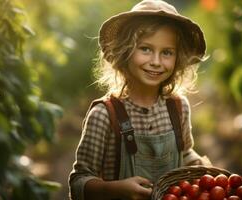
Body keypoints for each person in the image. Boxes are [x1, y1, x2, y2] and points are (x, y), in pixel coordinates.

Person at [69, 0, 211, 199]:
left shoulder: (178, 107)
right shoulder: (104, 116)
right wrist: (116, 190)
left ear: (178, 59)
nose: (156, 61)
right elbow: (79, 182)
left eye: (167, 52)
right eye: (145, 49)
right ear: (125, 51)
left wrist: (202, 169)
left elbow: (185, 152)